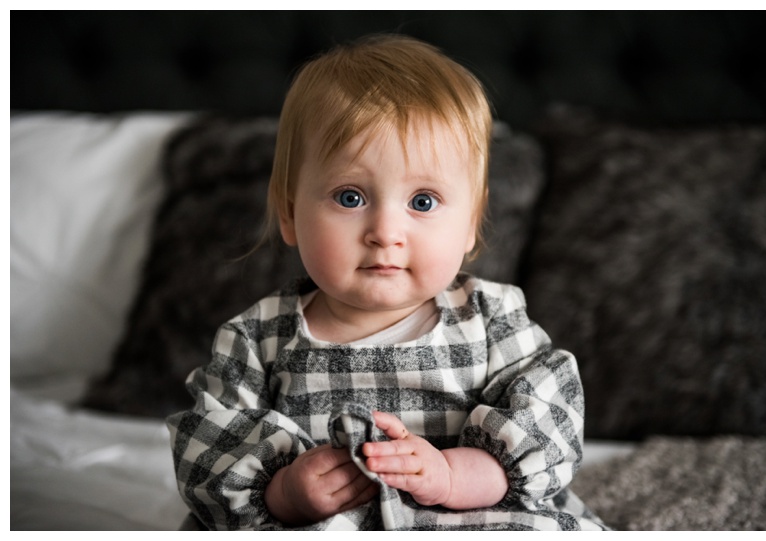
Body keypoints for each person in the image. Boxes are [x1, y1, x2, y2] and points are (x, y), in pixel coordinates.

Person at [167, 34, 606, 531]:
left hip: (471, 517)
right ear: (289, 212)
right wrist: (285, 491)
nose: (385, 234)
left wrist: (455, 475)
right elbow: (209, 446)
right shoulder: (257, 337)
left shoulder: (493, 320)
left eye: (422, 202)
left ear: (470, 223)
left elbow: (550, 423)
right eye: (350, 197)